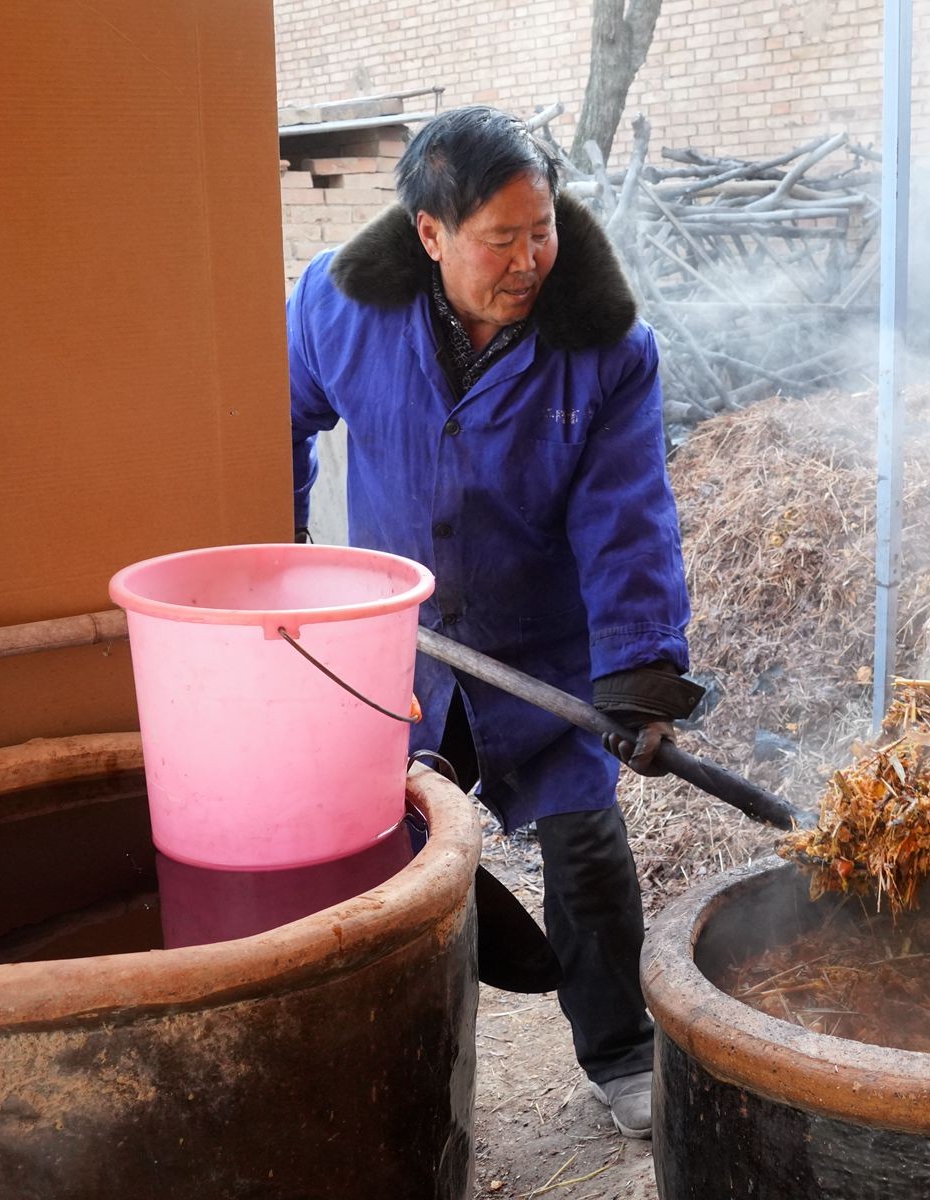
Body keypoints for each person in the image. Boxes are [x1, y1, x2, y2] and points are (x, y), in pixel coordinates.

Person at [286, 106, 702, 1140]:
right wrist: (281, 562)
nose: (529, 261)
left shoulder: (604, 350)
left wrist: (640, 674)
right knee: (388, 861)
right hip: (402, 654)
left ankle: (622, 1055)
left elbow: (627, 520)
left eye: (542, 230)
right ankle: (395, 1054)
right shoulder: (341, 306)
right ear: (430, 234)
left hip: (541, 655)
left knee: (586, 847)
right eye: (501, 239)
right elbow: (270, 419)